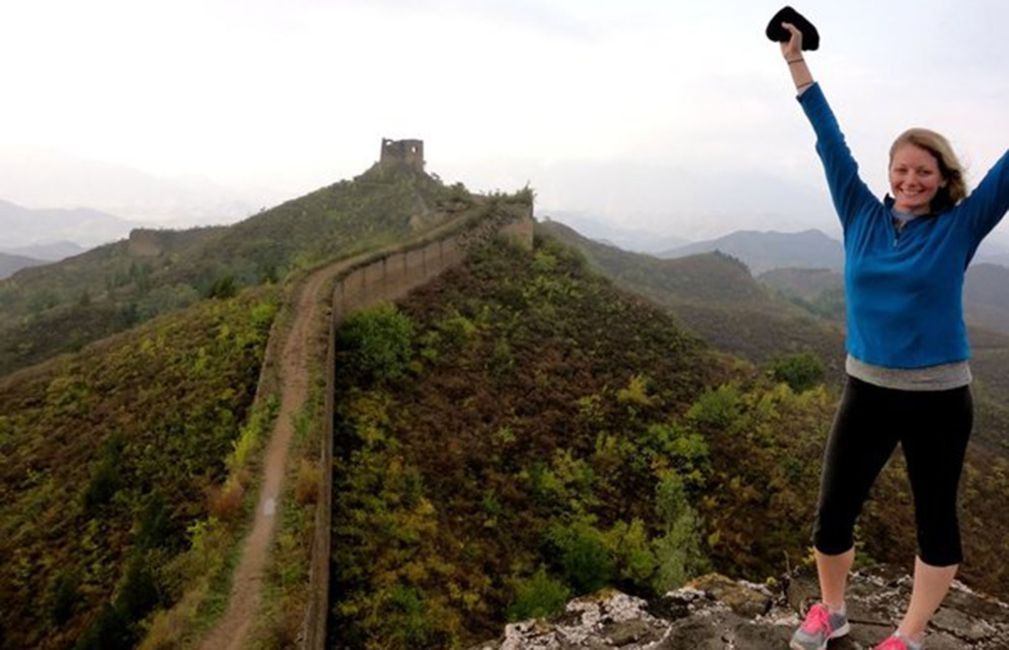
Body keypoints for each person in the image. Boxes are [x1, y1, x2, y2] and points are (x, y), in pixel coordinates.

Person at [776, 21, 1009, 650]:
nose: (911, 180)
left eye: (924, 172)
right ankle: (833, 610)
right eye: (902, 169)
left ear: (942, 179)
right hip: (867, 389)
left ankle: (907, 636)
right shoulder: (859, 213)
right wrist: (796, 63)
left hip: (939, 398)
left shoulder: (960, 227)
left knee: (935, 519)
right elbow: (830, 141)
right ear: (889, 172)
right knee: (833, 513)